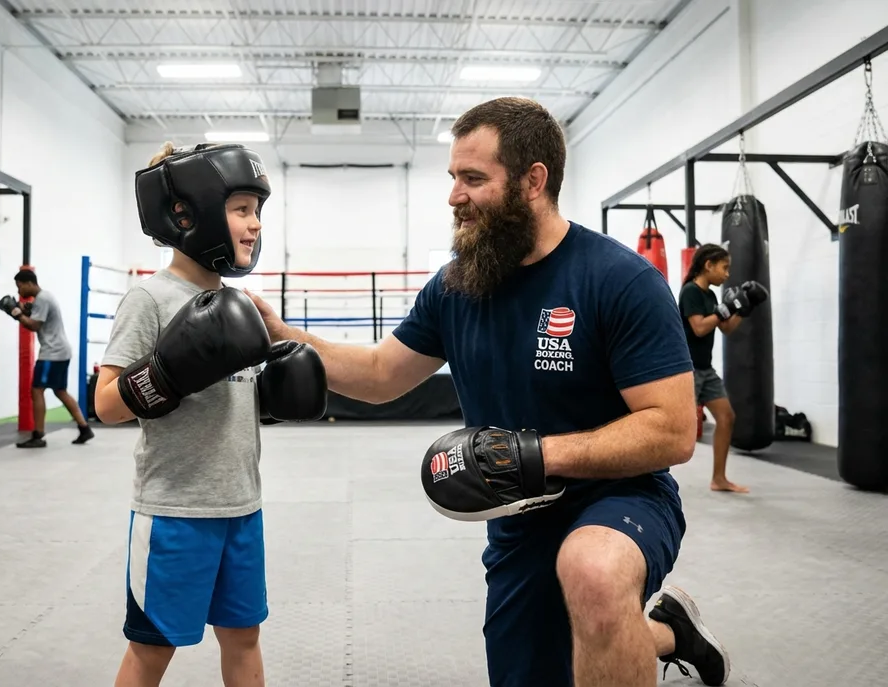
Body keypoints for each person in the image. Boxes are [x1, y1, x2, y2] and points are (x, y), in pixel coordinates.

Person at [245, 97, 731, 687]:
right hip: (519, 518)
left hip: (622, 497)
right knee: (558, 651)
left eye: (473, 179)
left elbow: (673, 428)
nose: (454, 195)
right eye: (453, 177)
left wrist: (539, 454)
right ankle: (674, 632)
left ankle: (627, 616)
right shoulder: (456, 287)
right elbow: (380, 375)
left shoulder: (621, 280)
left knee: (594, 575)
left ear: (533, 181)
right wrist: (281, 336)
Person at [93, 141, 326, 687]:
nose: (255, 225)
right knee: (153, 648)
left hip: (242, 505)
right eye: (242, 209)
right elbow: (105, 405)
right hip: (174, 510)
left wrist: (272, 397)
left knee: (244, 636)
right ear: (188, 212)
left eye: (259, 212)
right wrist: (166, 375)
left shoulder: (240, 306)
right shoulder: (149, 299)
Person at [678, 244, 768, 494]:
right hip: (688, 370)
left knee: (727, 418)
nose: (727, 274)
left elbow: (726, 328)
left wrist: (742, 308)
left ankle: (719, 479)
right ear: (709, 265)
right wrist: (724, 310)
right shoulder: (690, 292)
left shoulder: (711, 296)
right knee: (678, 430)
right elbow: (699, 328)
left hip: (705, 369)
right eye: (724, 268)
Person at [0, 270, 94, 448]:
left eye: (20, 287)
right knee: (60, 391)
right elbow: (34, 314)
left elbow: (34, 325)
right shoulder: (44, 298)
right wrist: (21, 310)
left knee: (37, 390)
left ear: (29, 283)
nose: (19, 292)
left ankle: (38, 435)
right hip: (61, 351)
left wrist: (16, 313)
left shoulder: (42, 298)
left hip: (52, 352)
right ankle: (84, 428)